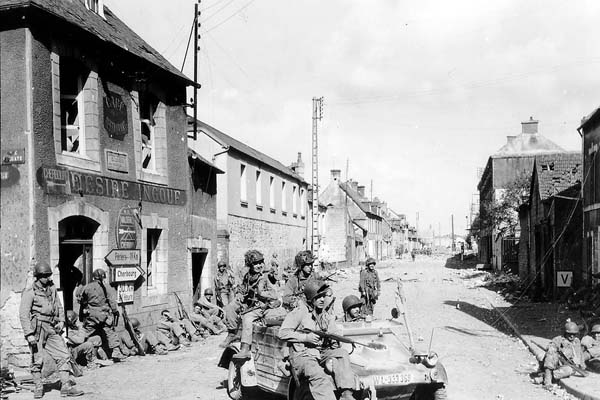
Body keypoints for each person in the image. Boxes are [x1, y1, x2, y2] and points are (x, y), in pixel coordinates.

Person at [278, 281, 356, 400]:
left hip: (320, 352)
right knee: (319, 377)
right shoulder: (300, 312)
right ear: (311, 298)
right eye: (318, 297)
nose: (322, 300)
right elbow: (282, 333)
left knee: (342, 354)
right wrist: (305, 338)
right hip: (303, 355)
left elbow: (333, 333)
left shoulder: (325, 314)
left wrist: (336, 337)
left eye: (323, 296)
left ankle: (346, 394)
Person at [19, 261, 83, 398]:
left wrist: (61, 321)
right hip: (38, 329)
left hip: (52, 327)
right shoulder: (30, 292)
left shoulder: (52, 288)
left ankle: (66, 386)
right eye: (45, 276)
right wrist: (29, 334)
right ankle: (38, 387)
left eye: (49, 275)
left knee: (63, 355)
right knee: (37, 359)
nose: (48, 278)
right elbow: (23, 315)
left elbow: (59, 306)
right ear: (38, 276)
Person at [233, 250, 281, 360]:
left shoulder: (266, 276)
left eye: (260, 263)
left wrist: (265, 295)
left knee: (247, 318)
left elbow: (274, 292)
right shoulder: (248, 276)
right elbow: (243, 288)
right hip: (252, 305)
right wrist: (240, 294)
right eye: (255, 264)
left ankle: (245, 349)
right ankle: (233, 334)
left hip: (264, 305)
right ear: (250, 265)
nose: (259, 266)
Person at [78, 269, 125, 361]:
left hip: (91, 314)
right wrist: (115, 311)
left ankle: (78, 347)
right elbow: (111, 301)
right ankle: (116, 352)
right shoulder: (106, 287)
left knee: (86, 332)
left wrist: (82, 315)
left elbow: (82, 301)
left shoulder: (87, 287)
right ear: (103, 277)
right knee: (110, 332)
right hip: (103, 314)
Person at [542, 320, 586, 387]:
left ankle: (542, 377)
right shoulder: (558, 340)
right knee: (551, 352)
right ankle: (547, 379)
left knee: (568, 370)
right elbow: (550, 350)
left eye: (574, 334)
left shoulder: (577, 341)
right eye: (569, 334)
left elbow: (580, 354)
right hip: (556, 365)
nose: (572, 336)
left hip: (570, 366)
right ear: (565, 333)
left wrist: (582, 366)